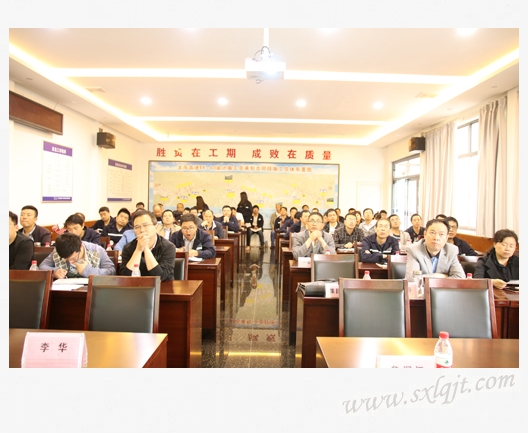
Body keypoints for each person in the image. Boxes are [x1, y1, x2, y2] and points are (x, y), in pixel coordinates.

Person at [119, 210, 175, 281]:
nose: (142, 230)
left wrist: (146, 248)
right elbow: (125, 277)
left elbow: (160, 277)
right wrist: (138, 250)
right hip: (136, 286)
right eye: (137, 227)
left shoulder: (168, 247)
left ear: (156, 227)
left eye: (145, 225)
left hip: (163, 286)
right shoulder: (128, 248)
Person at [40, 232, 116, 278]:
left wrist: (88, 270)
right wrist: (55, 272)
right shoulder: (58, 250)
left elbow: (111, 271)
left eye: (73, 258)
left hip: (92, 291)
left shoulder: (97, 250)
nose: (70, 262)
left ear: (80, 247)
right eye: (66, 259)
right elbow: (42, 266)